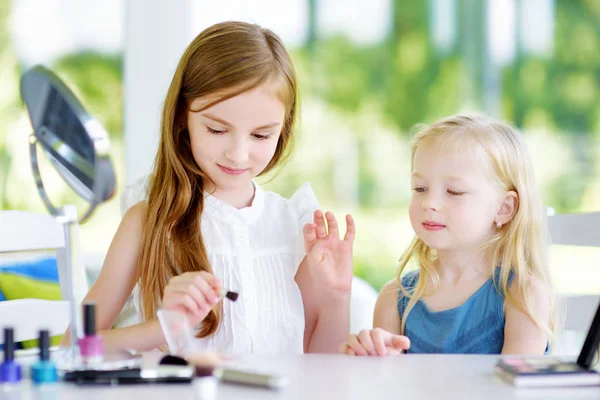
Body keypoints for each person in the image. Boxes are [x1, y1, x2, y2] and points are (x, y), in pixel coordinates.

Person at [61, 21, 355, 355]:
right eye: (217, 130)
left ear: (282, 130)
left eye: (261, 135)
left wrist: (337, 297)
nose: (238, 153)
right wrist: (163, 328)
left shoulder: (293, 224)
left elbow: (319, 366)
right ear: (182, 118)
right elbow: (72, 347)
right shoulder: (148, 221)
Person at [340, 114, 556, 356]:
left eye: (454, 191)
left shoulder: (523, 296)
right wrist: (372, 360)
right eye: (420, 188)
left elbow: (514, 392)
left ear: (504, 208)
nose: (430, 203)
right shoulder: (394, 299)